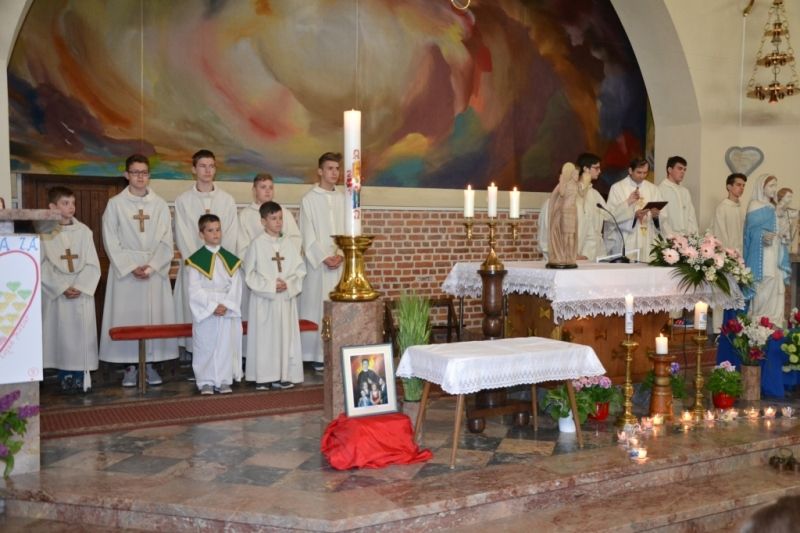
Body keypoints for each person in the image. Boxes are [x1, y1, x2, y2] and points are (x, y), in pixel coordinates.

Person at [99, 154, 177, 386]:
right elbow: (110, 239)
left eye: (144, 173)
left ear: (149, 175)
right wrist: (131, 266)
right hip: (127, 271)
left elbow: (167, 240)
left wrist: (152, 266)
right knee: (128, 317)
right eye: (135, 172)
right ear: (127, 175)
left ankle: (151, 365)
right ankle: (130, 367)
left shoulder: (159, 204)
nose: (140, 177)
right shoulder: (115, 204)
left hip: (153, 269)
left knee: (154, 319)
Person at [173, 149, 239, 357]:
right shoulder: (183, 200)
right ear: (194, 169)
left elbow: (231, 233)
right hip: (196, 269)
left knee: (222, 320)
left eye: (211, 166)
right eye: (202, 166)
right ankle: (194, 354)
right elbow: (183, 235)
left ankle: (222, 357)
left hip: (221, 270)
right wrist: (200, 264)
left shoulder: (227, 200)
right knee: (198, 313)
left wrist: (221, 264)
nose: (207, 170)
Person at [40, 186, 100, 393]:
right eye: (65, 203)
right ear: (52, 207)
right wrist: (62, 286)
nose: (71, 207)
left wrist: (81, 285)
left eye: (73, 203)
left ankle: (80, 375)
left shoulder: (84, 232)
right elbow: (42, 264)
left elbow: (93, 263)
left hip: (81, 291)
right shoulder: (44, 233)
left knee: (81, 336)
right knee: (62, 336)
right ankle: (64, 374)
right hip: (58, 291)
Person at [243, 201, 306, 390]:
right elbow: (250, 274)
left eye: (280, 218)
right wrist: (271, 285)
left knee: (285, 338)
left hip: (285, 299)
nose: (278, 222)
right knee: (265, 339)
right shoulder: (257, 244)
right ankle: (264, 377)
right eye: (273, 219)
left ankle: (283, 375)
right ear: (263, 221)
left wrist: (288, 284)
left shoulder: (288, 244)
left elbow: (300, 270)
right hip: (265, 301)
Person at [237, 173, 302, 335]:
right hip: (261, 280)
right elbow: (242, 249)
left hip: (284, 279)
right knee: (261, 329)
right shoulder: (245, 215)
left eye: (270, 187)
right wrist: (265, 277)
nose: (267, 191)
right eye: (263, 187)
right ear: (254, 190)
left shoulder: (284, 213)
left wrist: (285, 275)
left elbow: (294, 241)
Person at [186, 214, 243, 395]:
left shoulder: (230, 259)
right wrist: (212, 306)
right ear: (201, 234)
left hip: (226, 308)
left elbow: (236, 286)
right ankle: (205, 381)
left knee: (225, 345)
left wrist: (226, 304)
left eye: (218, 229)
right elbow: (194, 289)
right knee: (205, 345)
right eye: (210, 230)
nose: (215, 234)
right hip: (206, 310)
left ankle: (224, 379)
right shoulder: (195, 261)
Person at [298, 152, 345, 373]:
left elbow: (350, 229)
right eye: (329, 168)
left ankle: (339, 350)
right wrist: (324, 256)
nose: (334, 173)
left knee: (340, 307)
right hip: (319, 265)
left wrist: (341, 253)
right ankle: (316, 355)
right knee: (318, 306)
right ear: (320, 171)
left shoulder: (344, 199)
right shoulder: (309, 199)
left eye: (337, 168)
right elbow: (307, 233)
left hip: (340, 263)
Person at [539, 153, 608, 261]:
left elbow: (591, 235)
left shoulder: (581, 205)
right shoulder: (550, 205)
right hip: (556, 261)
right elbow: (545, 237)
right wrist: (561, 257)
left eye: (575, 179)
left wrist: (585, 255)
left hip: (581, 262)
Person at [743, 174, 790, 326]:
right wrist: (762, 235)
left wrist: (782, 235)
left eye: (775, 185)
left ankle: (772, 319)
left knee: (775, 283)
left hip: (774, 251)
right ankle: (759, 318)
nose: (774, 189)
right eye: (771, 185)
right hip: (760, 253)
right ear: (761, 187)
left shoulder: (772, 207)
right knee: (762, 282)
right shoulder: (754, 205)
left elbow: (777, 230)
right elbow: (749, 233)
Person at [606, 157, 667, 261]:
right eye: (639, 172)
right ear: (630, 170)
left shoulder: (653, 189)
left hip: (648, 239)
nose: (642, 176)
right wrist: (633, 215)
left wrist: (656, 216)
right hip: (627, 238)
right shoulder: (617, 188)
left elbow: (664, 216)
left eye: (645, 173)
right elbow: (610, 216)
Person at [710, 173, 747, 333]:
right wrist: (729, 255)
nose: (741, 188)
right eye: (738, 185)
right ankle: (718, 330)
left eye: (743, 185)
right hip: (725, 258)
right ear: (729, 187)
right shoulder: (722, 207)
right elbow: (720, 233)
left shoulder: (741, 208)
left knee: (735, 295)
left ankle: (733, 328)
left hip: (739, 258)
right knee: (721, 293)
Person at [546, 162, 580, 267]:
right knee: (566, 234)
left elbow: (582, 192)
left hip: (572, 211)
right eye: (575, 174)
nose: (577, 176)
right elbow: (561, 193)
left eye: (578, 174)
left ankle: (570, 255)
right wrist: (562, 180)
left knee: (571, 235)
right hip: (566, 210)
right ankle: (564, 254)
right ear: (570, 174)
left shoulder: (576, 185)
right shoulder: (567, 184)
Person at [658, 156, 698, 237]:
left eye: (684, 169)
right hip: (669, 238)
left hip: (687, 238)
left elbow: (691, 217)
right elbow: (661, 218)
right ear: (670, 170)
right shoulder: (660, 190)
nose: (683, 172)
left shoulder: (685, 191)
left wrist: (692, 236)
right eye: (680, 168)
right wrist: (672, 237)